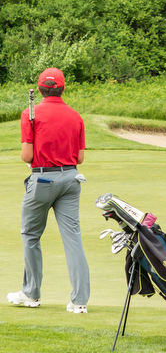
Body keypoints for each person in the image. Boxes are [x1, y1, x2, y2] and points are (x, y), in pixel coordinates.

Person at [7, 68, 90, 313]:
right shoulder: (75, 116)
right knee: (73, 238)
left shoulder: (30, 114)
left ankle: (31, 294)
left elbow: (27, 155)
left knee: (30, 235)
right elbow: (81, 157)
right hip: (72, 178)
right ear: (62, 88)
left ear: (41, 89)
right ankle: (79, 301)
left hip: (42, 180)